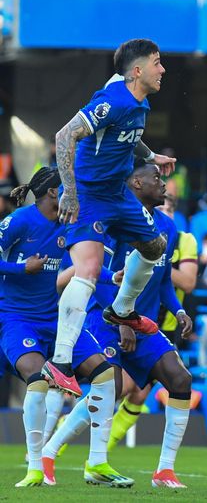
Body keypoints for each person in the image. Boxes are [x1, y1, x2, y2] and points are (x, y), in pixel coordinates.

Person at [44, 161, 195, 488]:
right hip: (106, 319)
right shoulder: (113, 221)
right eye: (156, 178)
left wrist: (179, 311)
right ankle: (53, 451)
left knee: (181, 379)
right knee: (109, 387)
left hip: (143, 324)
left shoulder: (167, 227)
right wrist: (120, 316)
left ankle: (164, 471)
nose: (163, 184)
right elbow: (94, 273)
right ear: (136, 184)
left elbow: (164, 278)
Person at [46, 39, 177, 396]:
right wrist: (70, 192)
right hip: (89, 195)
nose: (162, 69)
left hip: (118, 193)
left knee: (154, 246)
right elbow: (65, 135)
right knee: (87, 272)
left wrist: (151, 155)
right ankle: (60, 363)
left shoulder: (137, 101)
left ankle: (121, 309)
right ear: (137, 71)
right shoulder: (112, 100)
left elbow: (125, 135)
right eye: (157, 62)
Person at [0, 168, 131, 487]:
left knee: (106, 374)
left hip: (53, 317)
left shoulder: (70, 223)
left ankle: (98, 462)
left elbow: (82, 265)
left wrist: (110, 277)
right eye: (68, 188)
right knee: (38, 379)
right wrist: (21, 268)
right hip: (16, 317)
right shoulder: (19, 220)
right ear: (53, 193)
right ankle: (35, 465)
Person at [155, 196, 199, 336]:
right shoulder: (134, 237)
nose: (166, 214)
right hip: (134, 319)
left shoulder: (185, 240)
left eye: (169, 210)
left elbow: (188, 283)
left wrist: (155, 261)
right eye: (160, 209)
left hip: (169, 326)